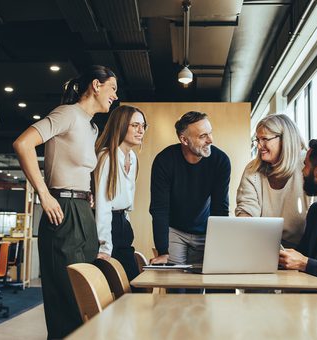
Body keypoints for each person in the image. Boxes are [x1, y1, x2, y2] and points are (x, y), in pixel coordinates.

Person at [13, 65, 118, 339]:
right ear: (96, 85)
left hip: (83, 212)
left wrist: (87, 193)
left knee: (87, 303)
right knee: (68, 305)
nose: (115, 96)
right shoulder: (67, 113)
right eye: (112, 89)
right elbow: (23, 144)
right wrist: (44, 195)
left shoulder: (92, 127)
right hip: (62, 212)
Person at [149, 111, 231, 265]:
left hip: (207, 230)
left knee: (206, 281)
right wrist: (163, 251)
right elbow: (159, 208)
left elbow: (220, 208)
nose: (210, 140)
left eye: (210, 133)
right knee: (176, 284)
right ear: (184, 140)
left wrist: (220, 246)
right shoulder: (164, 161)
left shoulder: (221, 161)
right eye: (203, 136)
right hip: (175, 230)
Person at [236, 114, 316, 248]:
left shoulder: (306, 165)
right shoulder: (252, 170)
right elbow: (246, 210)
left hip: (303, 248)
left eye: (265, 139)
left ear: (285, 139)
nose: (260, 146)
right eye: (258, 140)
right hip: (263, 246)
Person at [94, 105, 147, 283]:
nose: (141, 130)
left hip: (123, 223)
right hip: (108, 227)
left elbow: (127, 200)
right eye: (135, 125)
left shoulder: (132, 157)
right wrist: (105, 247)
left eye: (143, 125)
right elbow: (103, 205)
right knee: (127, 287)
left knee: (132, 284)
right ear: (121, 126)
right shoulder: (107, 157)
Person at [279, 137, 317, 276]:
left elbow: (304, 260)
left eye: (306, 165)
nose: (302, 171)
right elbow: (302, 254)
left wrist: (304, 263)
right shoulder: (315, 212)